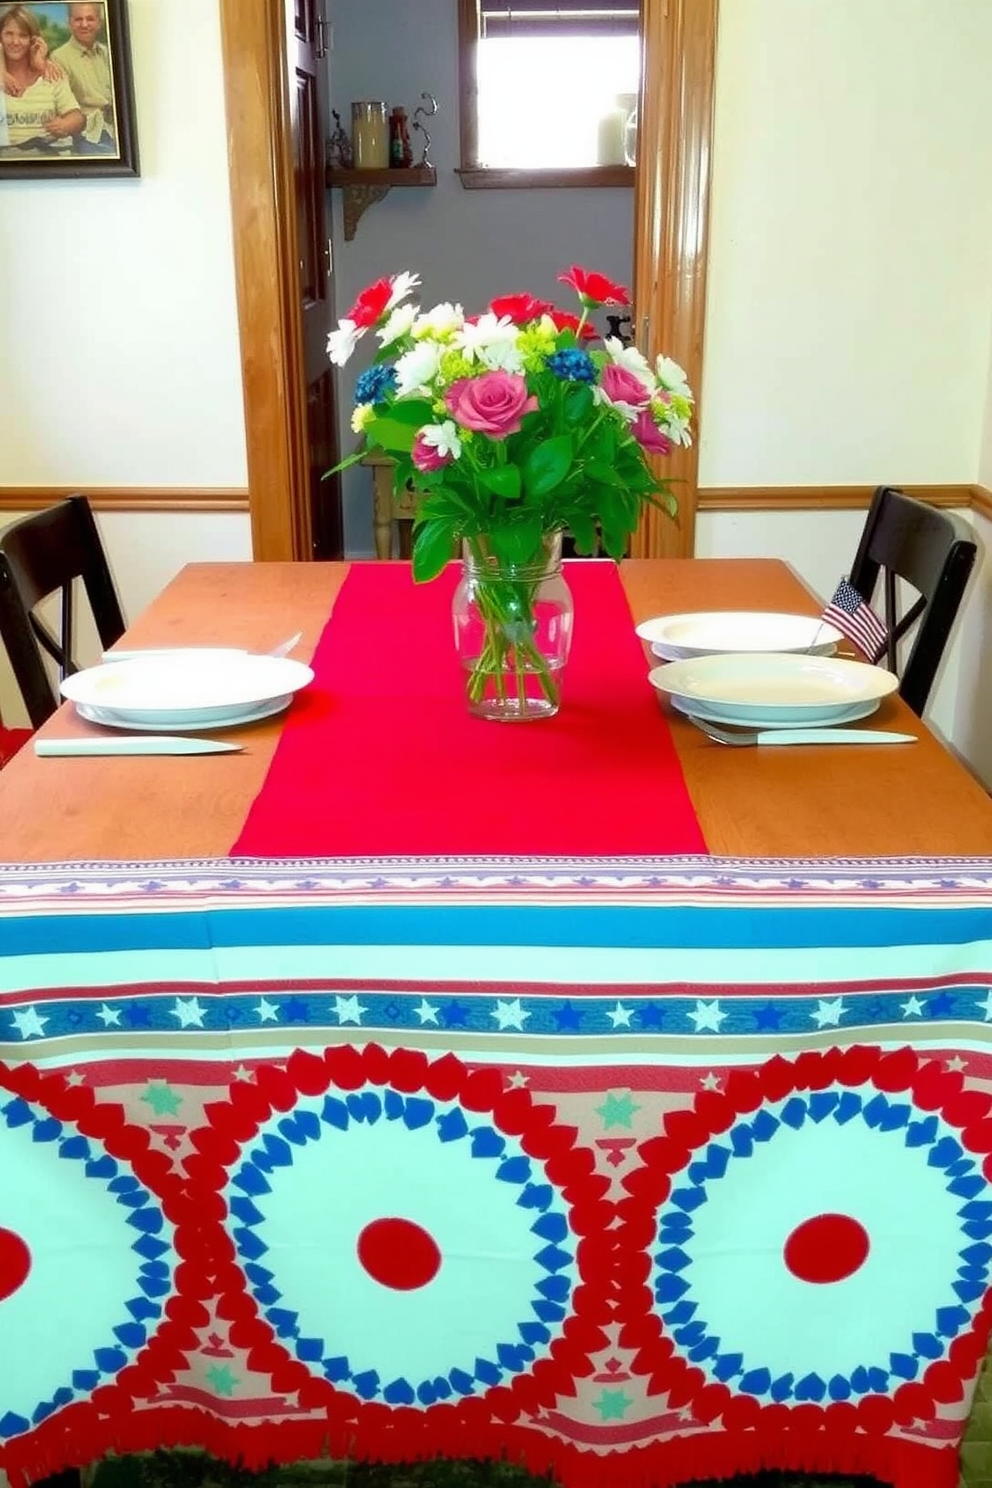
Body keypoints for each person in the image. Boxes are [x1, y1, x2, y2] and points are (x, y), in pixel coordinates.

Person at [0, 4, 82, 156]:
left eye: (23, 35)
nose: (15, 41)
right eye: (8, 34)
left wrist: (66, 124)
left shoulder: (51, 72)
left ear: (34, 40)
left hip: (51, 157)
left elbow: (77, 117)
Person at [51, 1, 115, 154]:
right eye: (78, 19)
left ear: (99, 23)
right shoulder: (59, 58)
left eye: (90, 19)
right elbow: (60, 106)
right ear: (69, 23)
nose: (84, 24)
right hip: (87, 132)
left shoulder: (107, 53)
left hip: (115, 126)